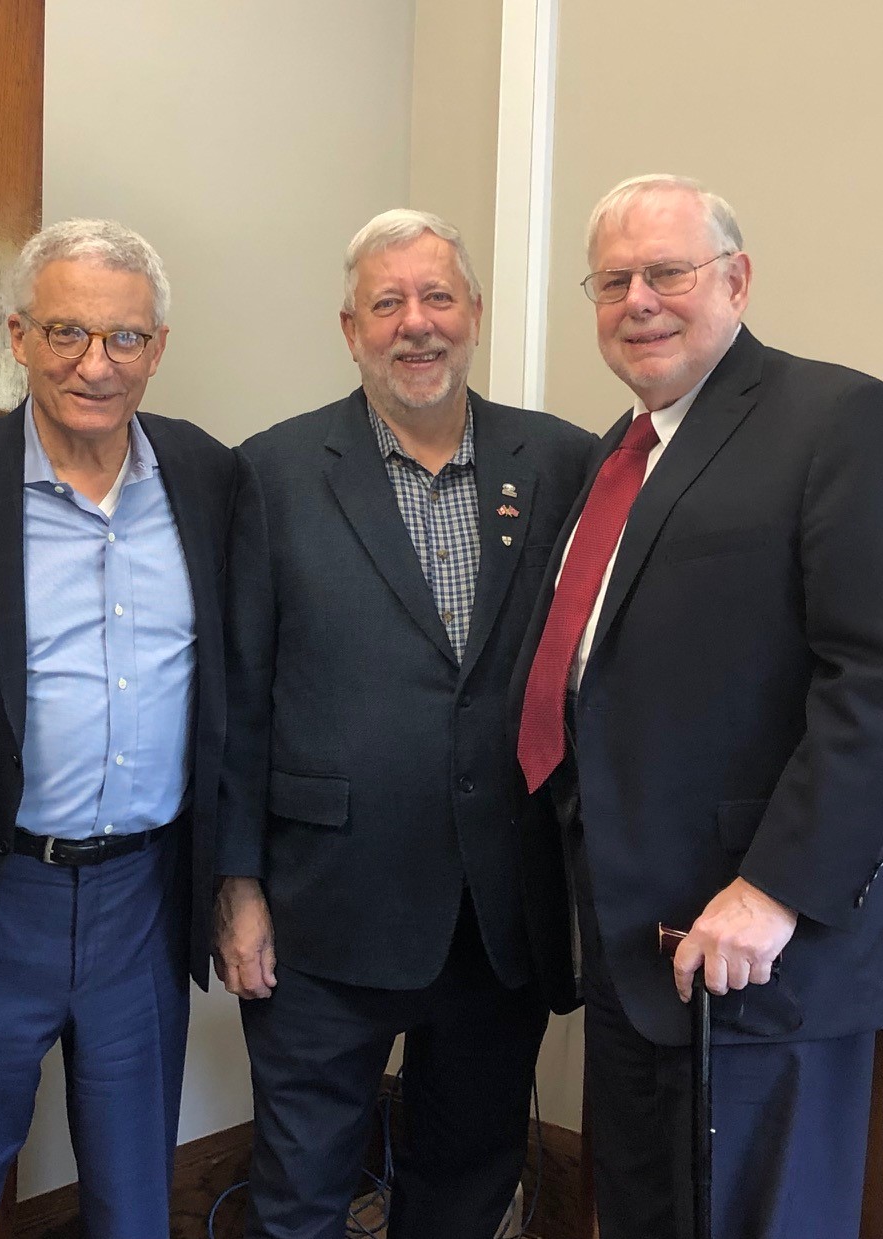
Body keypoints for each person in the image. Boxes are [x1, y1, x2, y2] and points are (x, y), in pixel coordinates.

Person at [513, 173, 883, 1239]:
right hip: (629, 939)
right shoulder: (614, 456)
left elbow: (878, 679)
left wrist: (773, 888)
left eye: (666, 272)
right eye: (612, 280)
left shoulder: (836, 417)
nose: (637, 300)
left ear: (736, 281)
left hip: (761, 945)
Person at [215, 209, 596, 1239]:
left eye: (436, 298)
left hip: (495, 909)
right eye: (387, 304)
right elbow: (239, 692)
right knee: (299, 1189)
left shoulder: (564, 463)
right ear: (350, 328)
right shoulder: (272, 470)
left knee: (466, 1180)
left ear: (472, 314)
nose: (414, 325)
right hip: (320, 908)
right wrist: (237, 886)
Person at [0, 218, 236, 1239]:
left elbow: (237, 692)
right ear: (18, 337)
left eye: (124, 338)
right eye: (67, 332)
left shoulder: (208, 479)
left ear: (157, 349)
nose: (95, 364)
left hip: (144, 899)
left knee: (132, 1201)